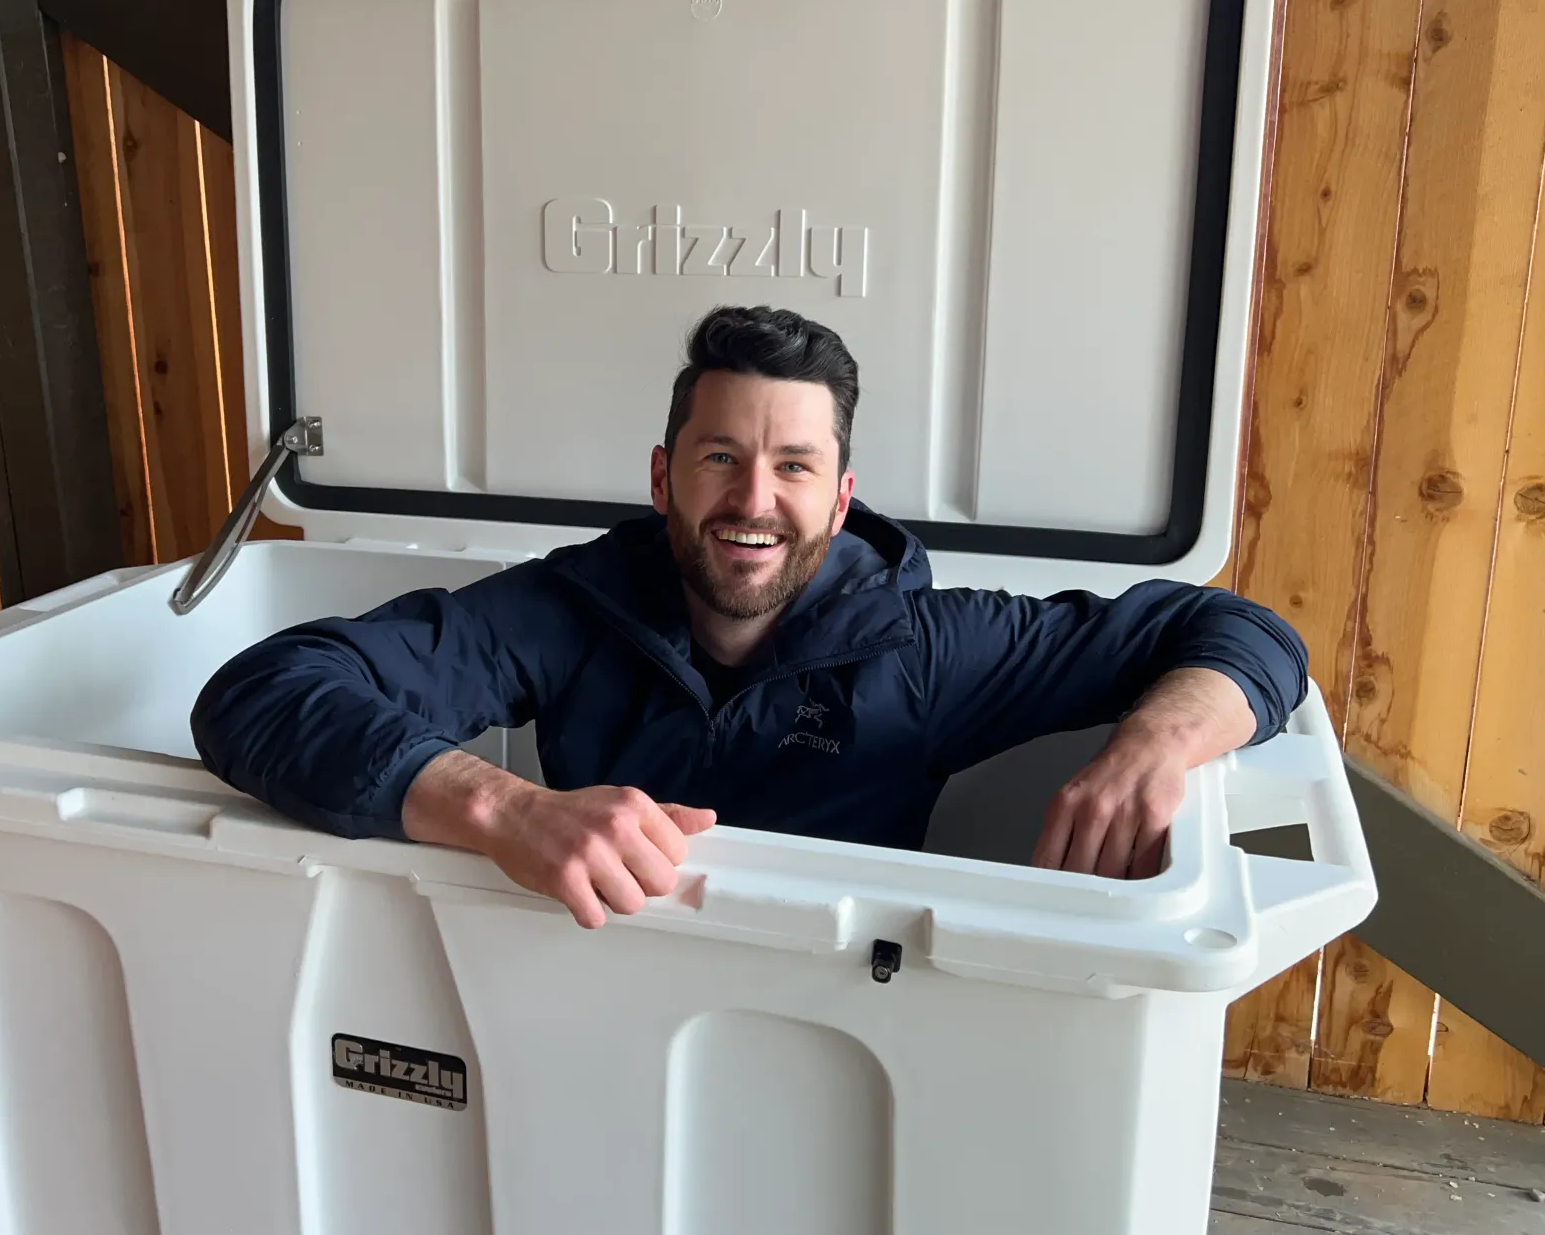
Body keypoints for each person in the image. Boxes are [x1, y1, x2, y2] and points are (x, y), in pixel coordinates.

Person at [194, 306, 1308, 929]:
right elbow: (260, 694)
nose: (752, 500)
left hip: (847, 1002)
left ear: (840, 495)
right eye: (718, 457)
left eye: (791, 466)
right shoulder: (566, 608)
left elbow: (1243, 636)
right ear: (661, 477)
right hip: (590, 966)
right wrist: (503, 809)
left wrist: (1157, 744)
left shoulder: (926, 647)